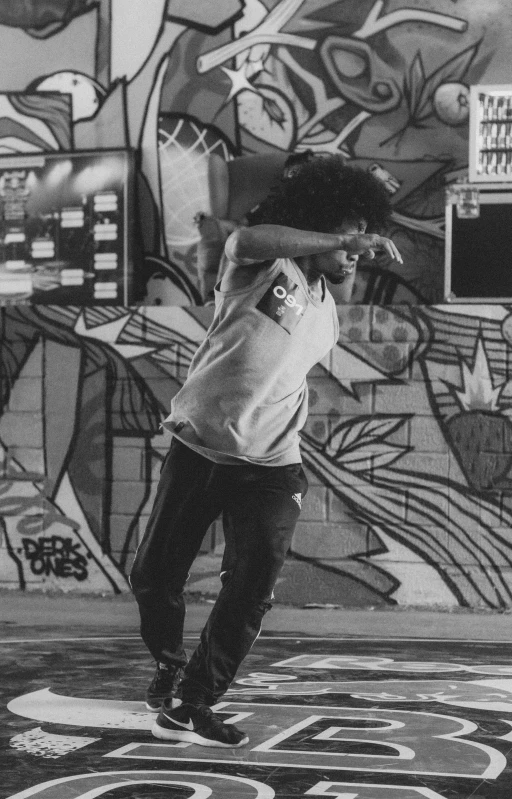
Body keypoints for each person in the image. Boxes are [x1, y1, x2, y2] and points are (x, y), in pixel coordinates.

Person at [129, 155, 402, 749]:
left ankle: (196, 700)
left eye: (360, 238)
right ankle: (169, 665)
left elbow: (343, 271)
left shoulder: (328, 309)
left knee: (252, 586)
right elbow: (247, 236)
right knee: (154, 578)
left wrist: (356, 248)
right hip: (200, 446)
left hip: (273, 465)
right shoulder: (260, 266)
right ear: (319, 224)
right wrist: (342, 236)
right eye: (346, 236)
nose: (354, 251)